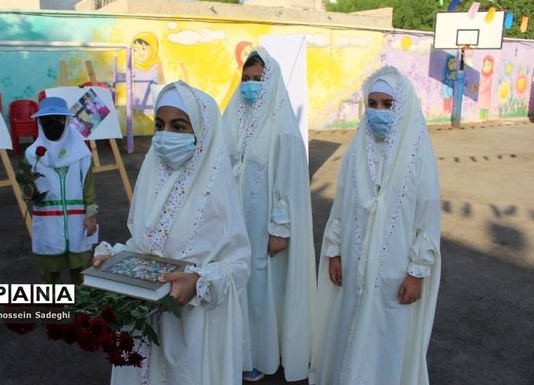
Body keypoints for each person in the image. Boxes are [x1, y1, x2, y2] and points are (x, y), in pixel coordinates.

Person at [94, 81, 251, 385]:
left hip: (192, 327)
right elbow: (141, 244)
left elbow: (238, 266)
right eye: (160, 125)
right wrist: (113, 258)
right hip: (143, 324)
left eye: (179, 127)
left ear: (202, 132)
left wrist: (199, 281)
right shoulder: (151, 175)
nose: (166, 136)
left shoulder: (216, 190)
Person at [310, 66, 441, 385]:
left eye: (388, 105)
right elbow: (341, 207)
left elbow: (426, 219)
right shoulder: (357, 150)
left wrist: (416, 272)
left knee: (386, 333)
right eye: (373, 104)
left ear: (403, 107)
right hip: (354, 264)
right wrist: (335, 252)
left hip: (395, 271)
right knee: (351, 323)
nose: (378, 112)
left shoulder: (417, 155)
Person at [222, 47, 317, 382]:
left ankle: (263, 355)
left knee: (262, 290)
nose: (250, 86)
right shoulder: (231, 118)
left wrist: (280, 228)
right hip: (233, 225)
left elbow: (288, 185)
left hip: (264, 227)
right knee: (236, 286)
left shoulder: (284, 130)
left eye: (257, 80)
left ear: (271, 82)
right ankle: (239, 350)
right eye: (245, 79)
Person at [24, 96, 98, 284]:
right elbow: (27, 188)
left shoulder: (81, 153)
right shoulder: (32, 155)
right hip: (48, 224)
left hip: (77, 221)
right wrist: (27, 190)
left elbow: (88, 186)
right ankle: (54, 307)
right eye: (46, 120)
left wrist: (91, 215)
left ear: (66, 121)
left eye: (58, 118)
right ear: (39, 122)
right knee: (49, 269)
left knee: (80, 268)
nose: (52, 124)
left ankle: (81, 307)